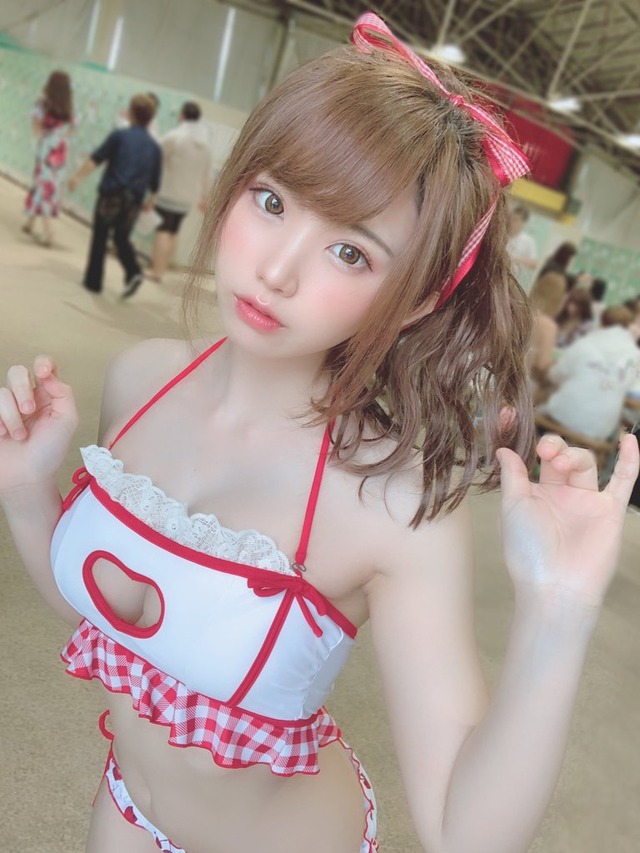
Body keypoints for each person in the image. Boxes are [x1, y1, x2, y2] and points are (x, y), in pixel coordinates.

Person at [0, 13, 637, 853]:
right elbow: (110, 628)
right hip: (124, 808)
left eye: (351, 253)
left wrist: (559, 611)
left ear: (412, 301)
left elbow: (464, 833)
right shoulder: (139, 379)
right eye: (271, 201)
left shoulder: (392, 502)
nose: (277, 269)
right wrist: (25, 484)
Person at [69, 94, 162, 297]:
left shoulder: (119, 136)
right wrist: (151, 201)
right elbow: (155, 182)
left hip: (112, 194)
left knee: (100, 236)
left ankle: (93, 282)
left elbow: (96, 158)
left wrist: (77, 177)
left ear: (132, 113)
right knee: (121, 237)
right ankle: (133, 271)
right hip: (134, 200)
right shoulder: (154, 148)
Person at [541, 306, 640, 441]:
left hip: (563, 416)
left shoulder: (587, 343)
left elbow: (555, 376)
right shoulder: (634, 355)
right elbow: (631, 388)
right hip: (599, 430)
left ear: (602, 322)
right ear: (629, 326)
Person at [144, 101, 213, 287]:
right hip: (187, 198)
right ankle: (163, 268)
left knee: (163, 231)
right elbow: (206, 175)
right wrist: (205, 197)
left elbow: (155, 158)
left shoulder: (174, 136)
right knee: (173, 232)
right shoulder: (205, 145)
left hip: (168, 192)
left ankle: (157, 271)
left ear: (182, 116)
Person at [23, 70, 74, 248]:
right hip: (61, 149)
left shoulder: (42, 103)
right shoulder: (69, 106)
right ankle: (30, 222)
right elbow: (71, 130)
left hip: (46, 148)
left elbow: (36, 128)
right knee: (50, 185)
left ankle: (49, 232)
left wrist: (44, 140)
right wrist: (60, 138)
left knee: (43, 186)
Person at [527, 271, 566, 403]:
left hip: (499, 377)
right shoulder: (548, 326)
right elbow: (542, 364)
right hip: (523, 384)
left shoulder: (521, 312)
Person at [505, 203, 537, 290]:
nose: (512, 222)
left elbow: (533, 264)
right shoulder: (503, 235)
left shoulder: (527, 241)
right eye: (511, 218)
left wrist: (517, 259)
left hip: (511, 282)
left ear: (522, 223)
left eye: (516, 220)